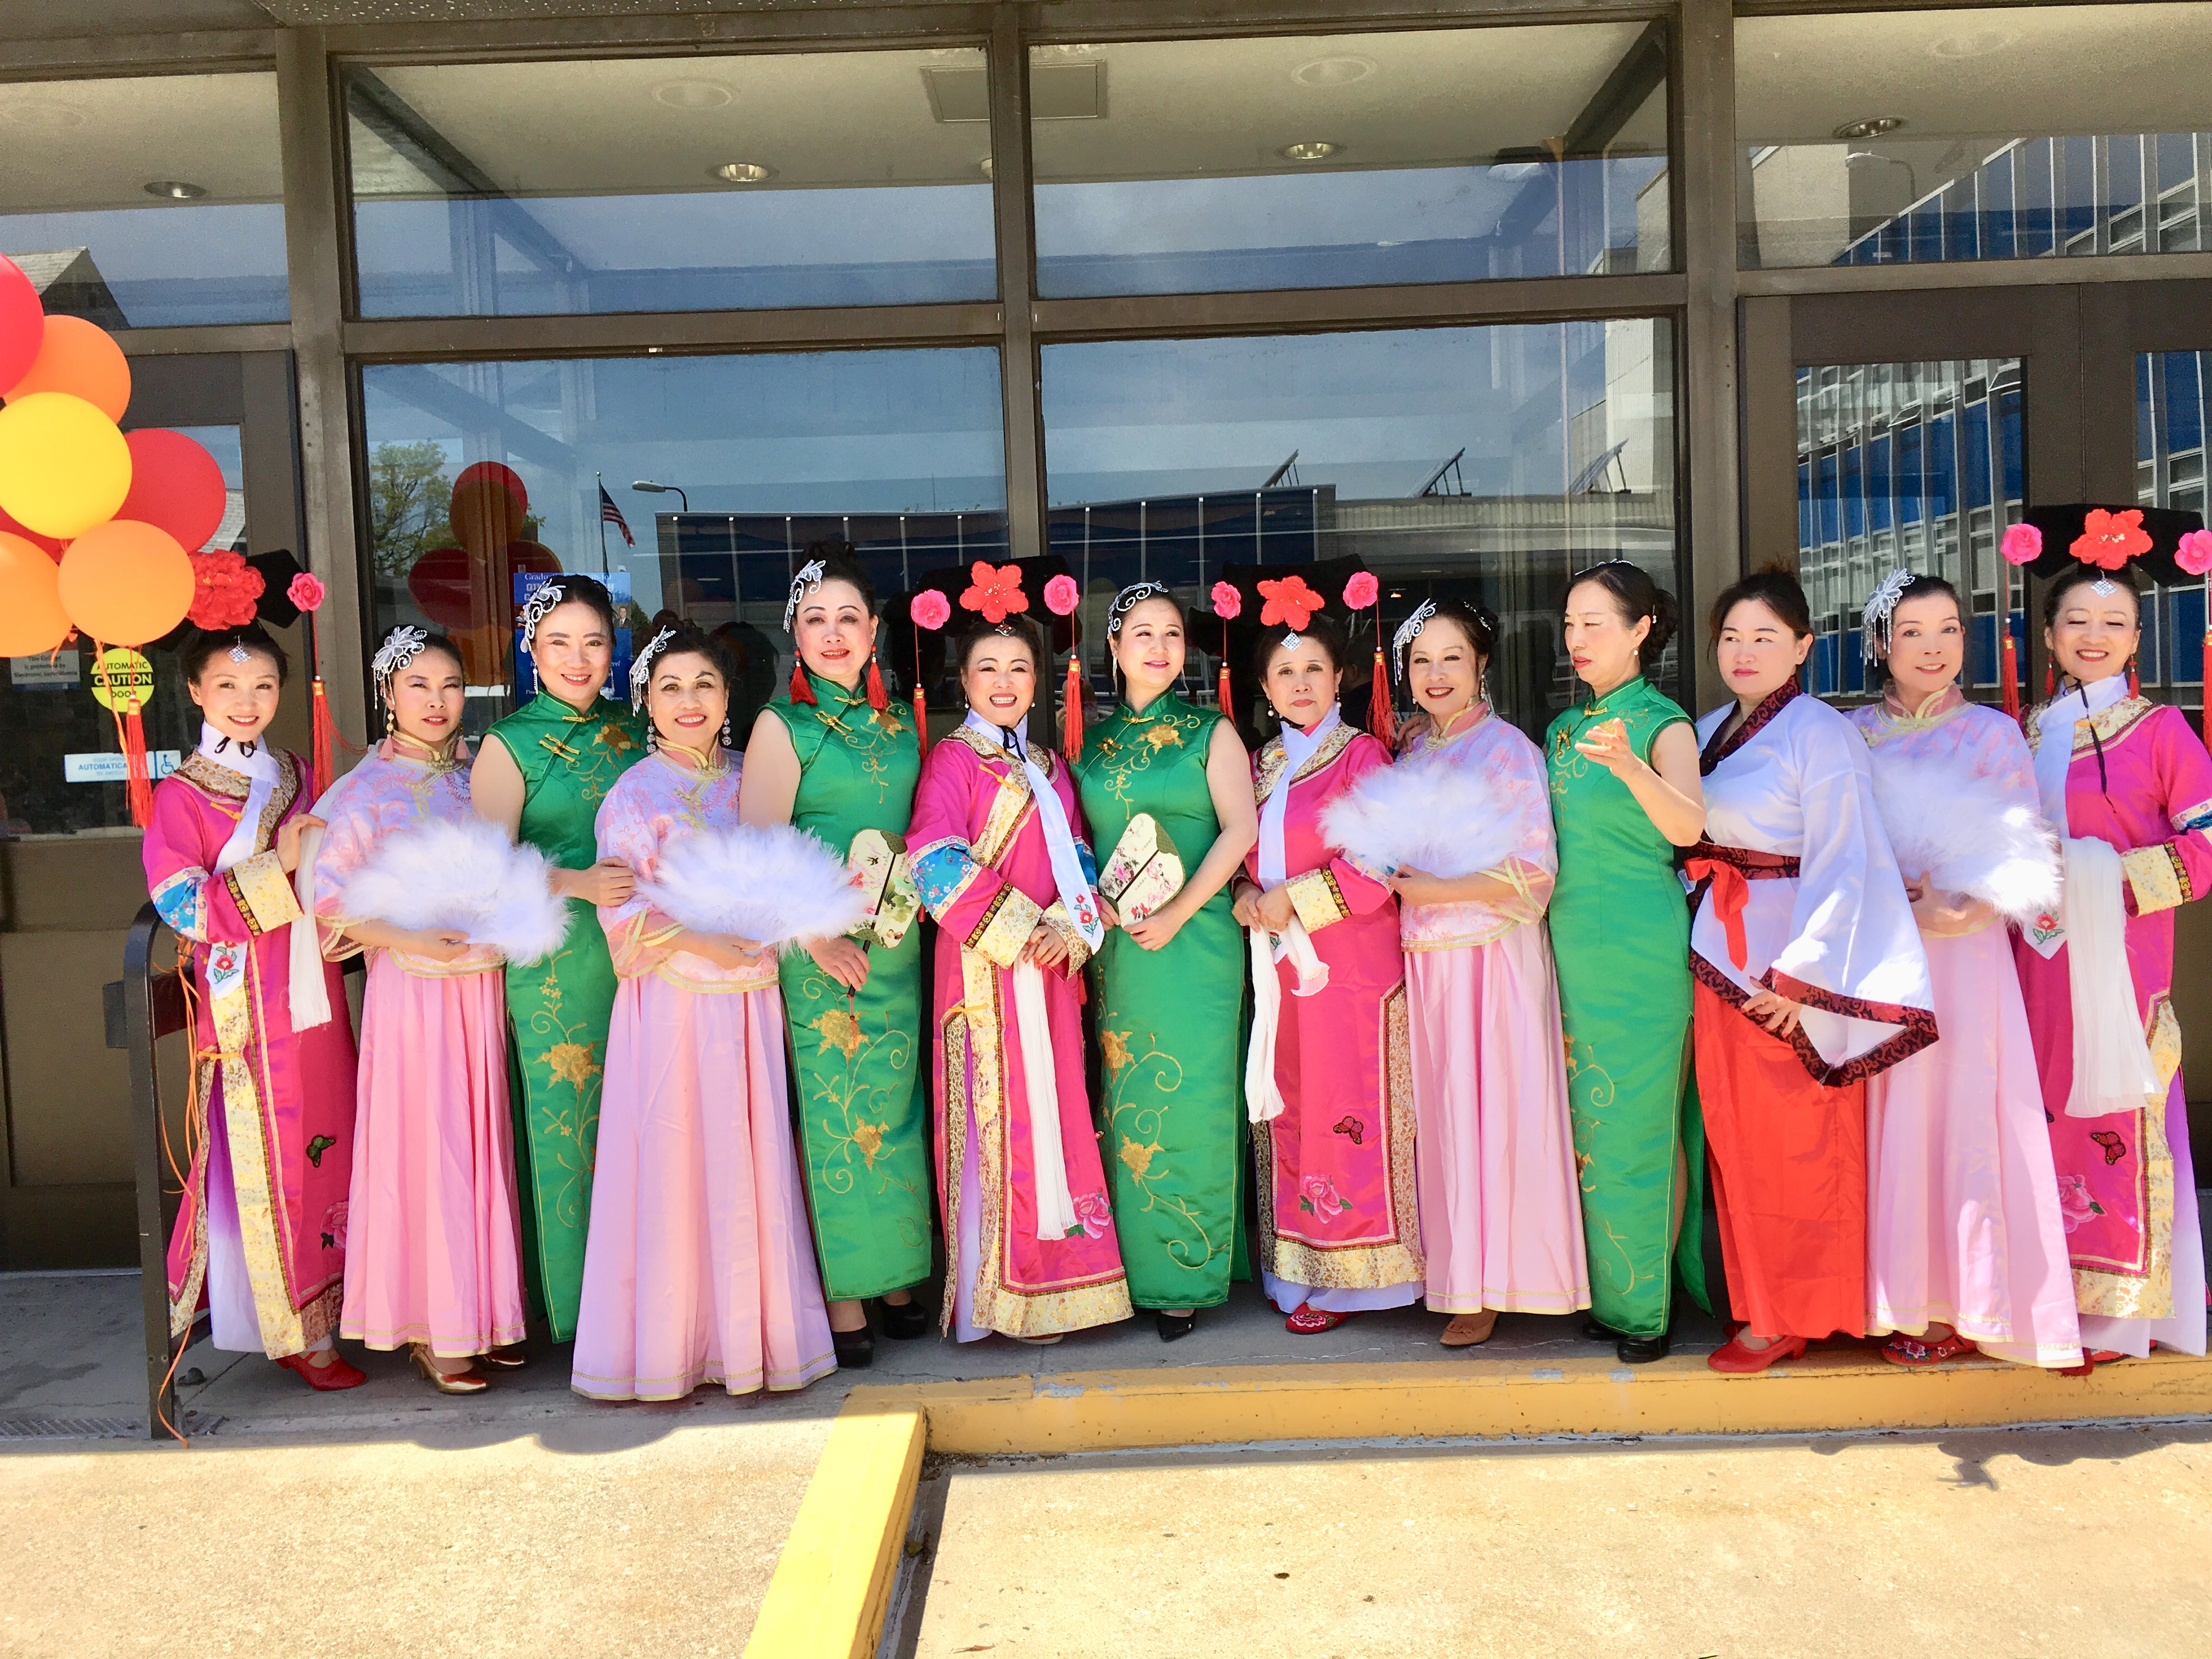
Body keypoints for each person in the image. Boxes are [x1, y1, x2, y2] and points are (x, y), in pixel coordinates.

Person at [571, 617, 837, 1401]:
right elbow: (620, 908)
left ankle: (755, 1342)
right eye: (670, 688)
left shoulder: (751, 778)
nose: (689, 702)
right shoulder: (633, 794)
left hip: (749, 1003)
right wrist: (705, 942)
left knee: (748, 1165)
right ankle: (671, 1348)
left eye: (705, 686)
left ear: (730, 697)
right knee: (677, 1167)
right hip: (673, 1004)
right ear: (645, 702)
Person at [1691, 568, 1934, 1374]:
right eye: (1731, 636)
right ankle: (1763, 1304)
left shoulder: (1819, 733)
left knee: (1799, 1144)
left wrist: (1800, 975)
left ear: (1803, 647)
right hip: (1717, 954)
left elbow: (1846, 855)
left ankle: (1804, 1310)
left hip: (1784, 970)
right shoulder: (1703, 731)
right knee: (1737, 1142)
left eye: (1765, 636)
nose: (1745, 651)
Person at [1847, 573, 2081, 1369]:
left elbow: (2026, 852)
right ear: (1882, 643)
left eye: (1949, 630)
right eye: (1913, 632)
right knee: (1887, 1118)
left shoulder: (1992, 734)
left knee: (1960, 1117)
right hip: (1879, 950)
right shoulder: (1850, 736)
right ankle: (1890, 1298)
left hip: (1965, 951)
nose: (1935, 647)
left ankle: (1963, 1301)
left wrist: (1962, 909)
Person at [1357, 599, 1589, 1346]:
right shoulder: (1411, 751)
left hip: (1493, 958)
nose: (1436, 674)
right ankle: (1457, 1274)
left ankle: (1498, 1282)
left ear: (1482, 663)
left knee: (1495, 1114)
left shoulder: (1509, 751)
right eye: (1421, 661)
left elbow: (1534, 871)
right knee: (1445, 1120)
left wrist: (1433, 890)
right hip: (1425, 965)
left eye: (1452, 657)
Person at [910, 587, 1133, 1344]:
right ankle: (994, 1297)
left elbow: (1078, 855)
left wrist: (1072, 931)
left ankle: (1063, 1284)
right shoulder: (952, 761)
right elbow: (932, 864)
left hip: (1048, 968)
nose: (1004, 682)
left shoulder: (1049, 765)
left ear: (1038, 680)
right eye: (987, 669)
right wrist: (1024, 928)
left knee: (1056, 1117)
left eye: (1018, 668)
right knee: (994, 1125)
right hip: (985, 969)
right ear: (964, 682)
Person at [143, 624, 363, 1390]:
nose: (247, 701)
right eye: (229, 687)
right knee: (273, 1155)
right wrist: (282, 864)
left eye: (264, 686)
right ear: (198, 691)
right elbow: (182, 904)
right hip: (248, 1003)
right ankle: (294, 1326)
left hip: (313, 989)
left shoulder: (298, 772)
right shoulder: (181, 796)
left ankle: (343, 1303)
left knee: (333, 1141)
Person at [2013, 531, 2212, 1367]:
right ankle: (2048, 1299)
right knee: (2043, 1119)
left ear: (2136, 639)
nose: (2093, 634)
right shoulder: (2022, 732)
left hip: (2122, 969)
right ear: (2050, 636)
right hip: (2034, 965)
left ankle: (2123, 1313)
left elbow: (2204, 851)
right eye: (2076, 619)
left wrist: (2095, 874)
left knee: (2119, 1126)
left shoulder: (2162, 731)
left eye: (2115, 621)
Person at [316, 627, 528, 1393]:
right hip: (413, 992)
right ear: (387, 696)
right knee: (429, 1152)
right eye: (418, 686)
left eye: (450, 686)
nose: (437, 702)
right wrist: (410, 937)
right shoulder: (363, 792)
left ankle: (486, 1314)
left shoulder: (481, 776)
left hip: (479, 985)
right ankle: (434, 1328)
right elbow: (327, 906)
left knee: (482, 1150)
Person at [738, 544, 933, 1367]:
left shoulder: (901, 723)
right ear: (795, 635)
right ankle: (846, 1293)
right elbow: (756, 849)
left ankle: (897, 1276)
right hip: (821, 955)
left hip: (897, 942)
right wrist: (811, 939)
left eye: (848, 617)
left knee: (897, 1113)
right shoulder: (783, 727)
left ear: (875, 629)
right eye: (815, 619)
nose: (833, 633)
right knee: (835, 1119)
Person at [1071, 583, 1257, 1342]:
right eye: (1140, 633)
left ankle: (1186, 1274)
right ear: (1112, 650)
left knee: (1196, 1101)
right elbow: (1072, 841)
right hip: (1119, 950)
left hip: (1198, 943)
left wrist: (1179, 913)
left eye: (1172, 634)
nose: (1157, 646)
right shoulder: (1089, 743)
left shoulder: (1212, 732)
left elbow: (1241, 830)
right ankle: (1132, 1270)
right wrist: (1093, 898)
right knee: (1123, 1100)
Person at [1230, 598, 1421, 1334]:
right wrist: (1249, 893)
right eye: (1285, 672)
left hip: (1353, 966)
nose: (1301, 683)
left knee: (1351, 1111)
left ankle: (1359, 1279)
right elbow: (1240, 856)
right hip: (1282, 969)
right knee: (1293, 1107)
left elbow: (1380, 862)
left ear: (1340, 676)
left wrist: (1292, 901)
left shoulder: (1364, 755)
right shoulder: (1257, 766)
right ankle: (1299, 1269)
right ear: (1266, 687)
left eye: (1314, 668)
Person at [471, 575, 647, 1342]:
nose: (578, 659)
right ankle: (583, 1316)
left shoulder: (642, 727)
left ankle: (654, 1296)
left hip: (646, 957)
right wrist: (575, 880)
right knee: (570, 1128)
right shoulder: (506, 745)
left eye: (594, 642)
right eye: (559, 643)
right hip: (557, 965)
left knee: (649, 1123)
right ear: (531, 649)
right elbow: (476, 873)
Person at [1544, 563, 1709, 1365]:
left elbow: (1688, 829)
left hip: (1642, 951)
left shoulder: (1663, 723)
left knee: (1642, 1128)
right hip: (1569, 947)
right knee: (1589, 1131)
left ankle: (1648, 1306)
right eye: (1570, 624)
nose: (1577, 639)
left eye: (1594, 622)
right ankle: (1611, 1292)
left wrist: (1633, 767)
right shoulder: (1561, 730)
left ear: (1643, 628)